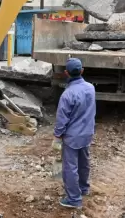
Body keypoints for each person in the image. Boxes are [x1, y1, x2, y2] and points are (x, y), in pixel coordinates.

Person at [52, 58, 96, 209]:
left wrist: (57, 136)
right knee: (84, 162)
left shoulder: (67, 94)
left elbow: (62, 119)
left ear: (66, 73)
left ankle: (74, 199)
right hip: (87, 133)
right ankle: (84, 189)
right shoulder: (91, 88)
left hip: (72, 137)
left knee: (70, 167)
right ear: (82, 71)